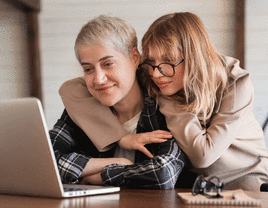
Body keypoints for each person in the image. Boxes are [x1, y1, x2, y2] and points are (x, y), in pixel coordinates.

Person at [59, 12, 268, 191]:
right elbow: (70, 88)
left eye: (167, 61)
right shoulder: (158, 74)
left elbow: (203, 155)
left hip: (246, 177)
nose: (157, 74)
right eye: (150, 61)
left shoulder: (235, 83)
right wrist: (121, 138)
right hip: (197, 184)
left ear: (193, 57)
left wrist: (170, 100)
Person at [50, 15, 188, 189]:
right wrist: (117, 162)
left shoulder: (163, 109)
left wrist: (96, 177)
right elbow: (45, 161)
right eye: (88, 69)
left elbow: (163, 173)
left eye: (108, 64)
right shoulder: (82, 109)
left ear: (135, 58)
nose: (98, 79)